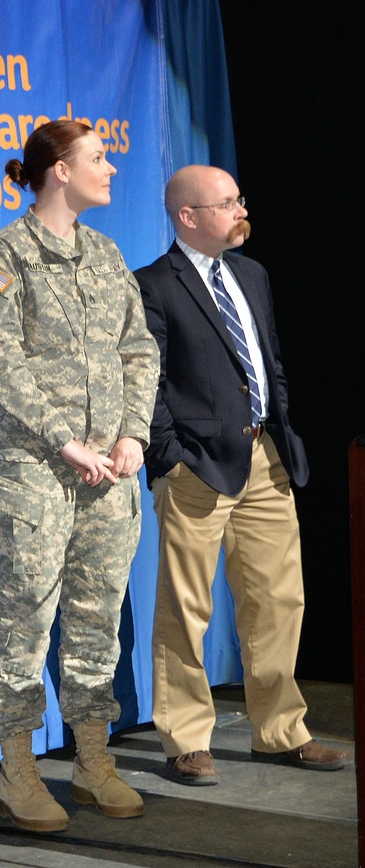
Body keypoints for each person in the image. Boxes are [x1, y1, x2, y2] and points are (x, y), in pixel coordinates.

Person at [0, 120, 159, 832]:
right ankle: (16, 769)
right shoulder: (0, 257)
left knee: (98, 618)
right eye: (98, 158)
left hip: (110, 473)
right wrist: (63, 439)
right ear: (60, 170)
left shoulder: (106, 255)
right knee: (25, 619)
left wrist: (133, 434)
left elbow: (140, 351)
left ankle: (94, 760)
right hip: (32, 474)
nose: (111, 168)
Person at [135, 165, 349, 786]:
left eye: (238, 199)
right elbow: (145, 380)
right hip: (197, 466)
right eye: (225, 203)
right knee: (186, 606)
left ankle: (280, 730)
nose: (239, 210)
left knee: (279, 599)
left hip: (266, 458)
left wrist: (278, 427)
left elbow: (270, 362)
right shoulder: (153, 284)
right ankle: (186, 738)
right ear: (188, 217)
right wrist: (169, 453)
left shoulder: (251, 274)